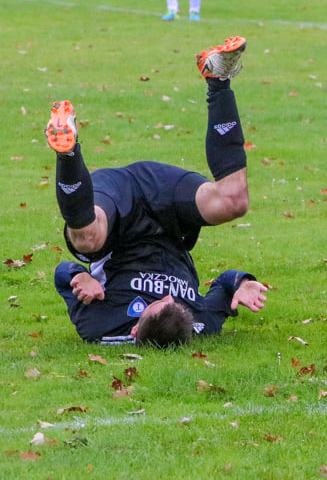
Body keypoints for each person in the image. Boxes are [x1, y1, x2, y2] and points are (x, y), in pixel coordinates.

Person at [47, 35, 268, 347]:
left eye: (158, 303)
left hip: (119, 215)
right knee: (234, 202)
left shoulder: (102, 326)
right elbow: (224, 285)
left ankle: (67, 152)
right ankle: (218, 78)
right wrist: (243, 282)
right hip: (170, 214)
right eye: (174, 302)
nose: (167, 295)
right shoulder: (199, 321)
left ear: (137, 328)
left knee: (87, 239)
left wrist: (77, 277)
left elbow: (61, 272)